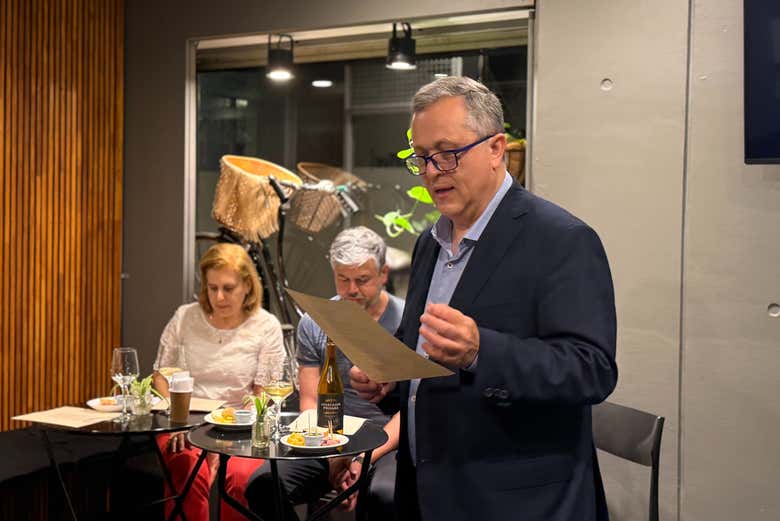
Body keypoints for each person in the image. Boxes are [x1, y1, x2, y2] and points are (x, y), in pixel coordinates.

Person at [348, 76, 618, 521]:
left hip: (515, 502)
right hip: (427, 490)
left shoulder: (561, 240)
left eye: (447, 153)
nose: (432, 171)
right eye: (422, 158)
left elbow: (592, 370)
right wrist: (391, 379)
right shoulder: (430, 243)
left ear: (496, 149)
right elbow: (420, 347)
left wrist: (481, 351)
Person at [245, 226, 404, 520]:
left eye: (362, 280)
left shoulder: (406, 321)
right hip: (328, 435)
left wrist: (361, 460)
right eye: (343, 279)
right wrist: (331, 456)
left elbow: (411, 408)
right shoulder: (315, 322)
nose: (352, 289)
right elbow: (310, 401)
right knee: (263, 486)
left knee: (384, 496)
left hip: (387, 440)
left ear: (383, 274)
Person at [153, 243, 286, 521]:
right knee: (186, 469)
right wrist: (178, 421)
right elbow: (161, 376)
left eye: (228, 288)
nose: (219, 297)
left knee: (241, 480)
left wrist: (222, 439)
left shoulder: (265, 326)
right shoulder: (185, 317)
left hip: (242, 426)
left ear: (247, 285)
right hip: (185, 421)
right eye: (212, 288)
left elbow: (264, 395)